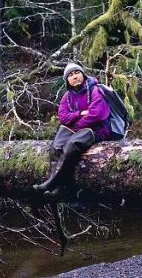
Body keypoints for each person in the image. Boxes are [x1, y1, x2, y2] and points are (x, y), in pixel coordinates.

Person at [33, 63, 111, 197]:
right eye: (70, 75)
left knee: (72, 145)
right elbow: (63, 117)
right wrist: (79, 113)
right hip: (78, 128)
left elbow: (96, 114)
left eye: (77, 73)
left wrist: (76, 123)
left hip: (97, 129)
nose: (75, 77)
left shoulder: (95, 90)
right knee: (56, 147)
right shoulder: (67, 96)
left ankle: (52, 182)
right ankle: (63, 188)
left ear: (83, 74)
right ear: (67, 80)